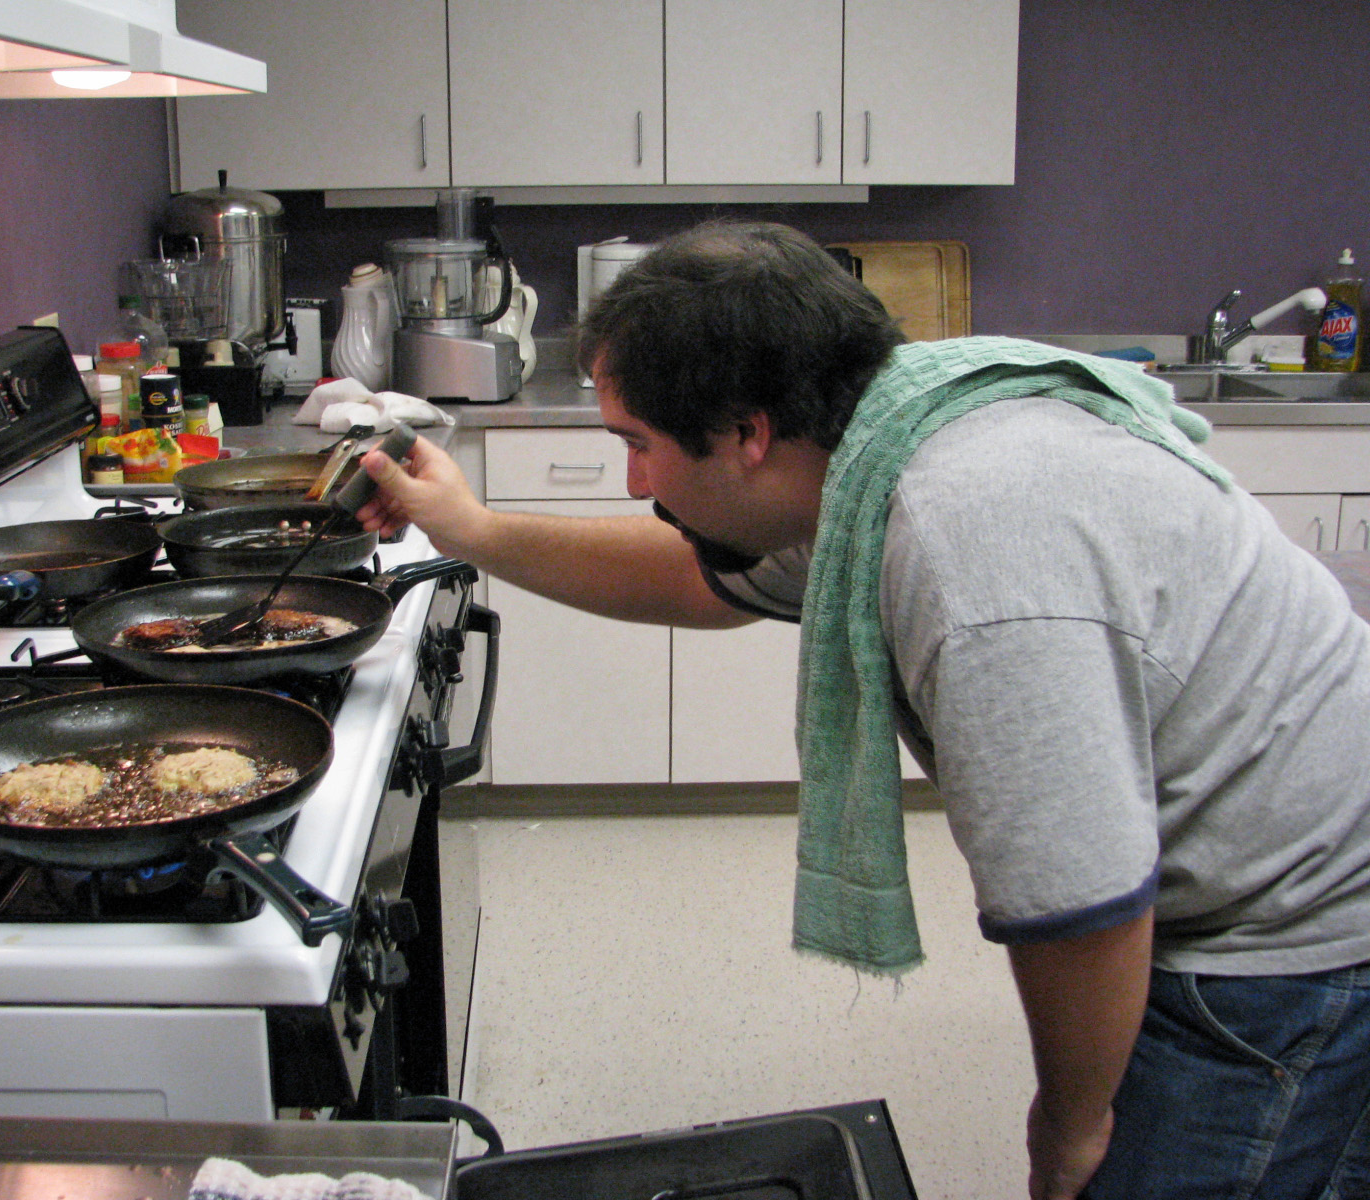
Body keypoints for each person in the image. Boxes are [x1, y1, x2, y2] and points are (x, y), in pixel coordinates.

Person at [352, 220, 1370, 1200]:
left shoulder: (974, 548)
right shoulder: (886, 435)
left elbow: (1083, 907)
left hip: (1293, 919)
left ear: (747, 434)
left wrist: (1069, 1127)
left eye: (639, 445)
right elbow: (705, 580)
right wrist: (474, 531)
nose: (635, 484)